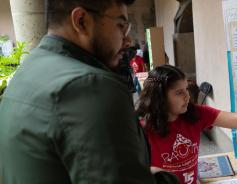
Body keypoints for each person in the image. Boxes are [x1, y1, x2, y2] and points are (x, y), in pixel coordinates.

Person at [0, 0, 178, 183]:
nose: (128, 40)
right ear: (81, 21)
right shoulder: (90, 85)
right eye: (121, 25)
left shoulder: (28, 69)